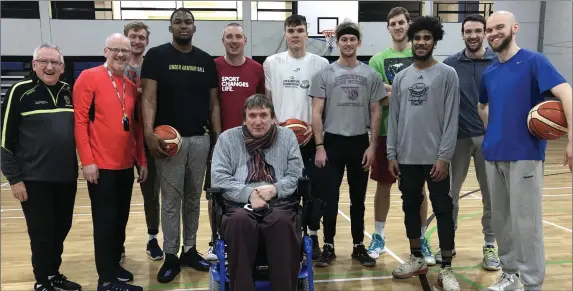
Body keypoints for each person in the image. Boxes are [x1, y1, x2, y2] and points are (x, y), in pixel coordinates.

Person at [478, 11, 572, 291]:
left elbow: (566, 92)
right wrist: (493, 128)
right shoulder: (490, 71)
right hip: (493, 153)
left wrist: (571, 140)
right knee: (501, 222)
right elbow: (483, 106)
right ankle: (510, 275)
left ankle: (531, 284)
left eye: (499, 27)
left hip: (525, 155)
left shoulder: (534, 61)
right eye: (489, 29)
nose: (493, 33)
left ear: (514, 28)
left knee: (526, 224)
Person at [140, 8, 221, 283]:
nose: (183, 26)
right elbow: (148, 99)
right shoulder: (156, 56)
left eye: (188, 22)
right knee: (171, 200)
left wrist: (217, 138)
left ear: (194, 28)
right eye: (178, 22)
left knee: (193, 199)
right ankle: (171, 254)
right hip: (168, 142)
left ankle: (189, 249)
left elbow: (214, 104)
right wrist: (149, 133)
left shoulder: (206, 61)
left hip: (200, 139)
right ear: (170, 27)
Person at [386, 16, 460, 290]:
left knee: (443, 209)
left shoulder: (447, 74)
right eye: (417, 38)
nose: (421, 42)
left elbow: (451, 119)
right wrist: (392, 153)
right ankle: (416, 257)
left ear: (434, 41)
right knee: (410, 206)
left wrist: (444, 156)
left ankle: (447, 269)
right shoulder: (402, 77)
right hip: (406, 157)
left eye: (427, 38)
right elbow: (393, 118)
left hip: (435, 159)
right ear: (411, 41)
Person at [1, 43, 82, 291]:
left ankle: (53, 273)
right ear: (34, 64)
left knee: (61, 228)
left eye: (55, 63)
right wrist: (14, 179)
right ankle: (42, 280)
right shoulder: (20, 91)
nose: (50, 67)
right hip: (34, 179)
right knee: (41, 233)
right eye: (44, 62)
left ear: (62, 66)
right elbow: (4, 139)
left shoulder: (70, 91)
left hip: (66, 177)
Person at [74, 33, 147, 291]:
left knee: (120, 220)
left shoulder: (128, 82)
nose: (120, 55)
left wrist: (141, 160)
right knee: (105, 223)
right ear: (105, 51)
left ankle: (114, 266)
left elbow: (135, 127)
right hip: (100, 167)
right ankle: (105, 280)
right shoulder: (88, 77)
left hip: (125, 166)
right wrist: (87, 161)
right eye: (115, 50)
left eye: (125, 51)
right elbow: (80, 122)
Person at [310, 21, 384, 268]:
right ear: (337, 43)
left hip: (359, 143)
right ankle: (328, 244)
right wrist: (319, 146)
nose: (348, 43)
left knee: (358, 199)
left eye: (353, 39)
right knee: (329, 198)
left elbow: (376, 112)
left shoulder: (370, 75)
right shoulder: (325, 74)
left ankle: (357, 245)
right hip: (332, 142)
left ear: (358, 42)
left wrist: (372, 146)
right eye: (344, 39)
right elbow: (316, 112)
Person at [211, 94, 304, 291]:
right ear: (244, 118)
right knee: (239, 222)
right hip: (238, 203)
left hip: (279, 201)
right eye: (252, 116)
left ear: (273, 118)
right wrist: (249, 194)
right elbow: (219, 178)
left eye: (263, 115)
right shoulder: (227, 139)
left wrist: (276, 189)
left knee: (281, 222)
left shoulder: (287, 137)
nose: (258, 121)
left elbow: (296, 174)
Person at [366, 6, 434, 265]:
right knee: (383, 186)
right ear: (388, 28)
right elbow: (377, 97)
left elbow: (425, 90)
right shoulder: (376, 60)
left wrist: (391, 89)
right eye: (392, 23)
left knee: (419, 189)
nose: (397, 27)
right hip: (385, 133)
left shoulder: (420, 54)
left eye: (401, 23)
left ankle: (422, 239)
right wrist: (399, 90)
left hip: (417, 134)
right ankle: (379, 237)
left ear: (409, 25)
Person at [263, 14, 329, 258]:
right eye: (291, 31)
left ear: (306, 33)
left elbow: (323, 103)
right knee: (283, 192)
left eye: (300, 30)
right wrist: (273, 126)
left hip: (311, 140)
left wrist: (316, 127)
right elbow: (268, 102)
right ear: (285, 33)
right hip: (279, 140)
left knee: (312, 192)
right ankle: (286, 239)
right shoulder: (271, 62)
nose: (295, 35)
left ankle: (313, 238)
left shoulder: (321, 63)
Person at [442, 14, 500, 271]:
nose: (474, 35)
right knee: (450, 195)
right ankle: (448, 240)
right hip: (458, 139)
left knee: (491, 196)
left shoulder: (499, 62)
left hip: (491, 140)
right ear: (462, 34)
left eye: (478, 30)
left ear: (485, 33)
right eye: (469, 31)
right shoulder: (450, 64)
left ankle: (490, 244)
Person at [204, 22, 265, 260]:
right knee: (216, 194)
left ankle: (250, 239)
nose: (233, 40)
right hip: (222, 143)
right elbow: (213, 104)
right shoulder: (214, 66)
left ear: (245, 40)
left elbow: (263, 105)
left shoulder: (257, 69)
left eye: (238, 36)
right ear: (223, 41)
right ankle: (215, 240)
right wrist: (218, 138)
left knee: (249, 190)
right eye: (229, 36)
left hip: (253, 144)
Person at [122, 20, 164, 262]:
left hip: (146, 137)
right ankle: (118, 242)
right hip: (121, 140)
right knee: (119, 193)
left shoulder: (153, 66)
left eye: (141, 37)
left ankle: (151, 239)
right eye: (132, 36)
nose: (136, 41)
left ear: (147, 42)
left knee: (151, 193)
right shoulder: (114, 67)